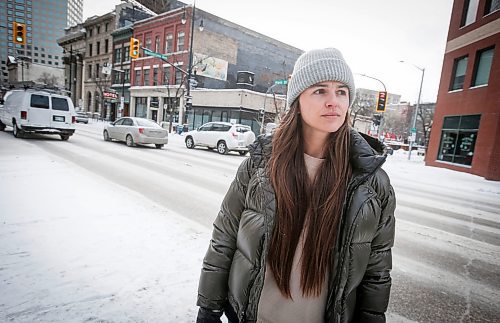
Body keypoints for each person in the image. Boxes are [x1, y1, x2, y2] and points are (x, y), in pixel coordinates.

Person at [196, 48, 396, 323]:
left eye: (341, 91)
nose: (333, 101)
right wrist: (208, 308)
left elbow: (377, 270)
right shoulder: (260, 165)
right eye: (320, 91)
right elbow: (224, 237)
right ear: (297, 100)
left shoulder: (372, 182)